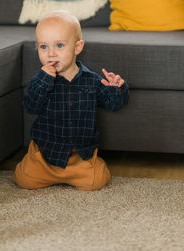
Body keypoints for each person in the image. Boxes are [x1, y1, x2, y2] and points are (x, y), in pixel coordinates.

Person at [13, 10, 129, 191]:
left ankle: (88, 167)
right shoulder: (41, 80)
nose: (50, 53)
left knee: (96, 182)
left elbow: (113, 105)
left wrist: (116, 88)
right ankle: (32, 160)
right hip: (45, 154)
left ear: (77, 47)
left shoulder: (92, 80)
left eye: (59, 45)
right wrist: (43, 80)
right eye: (43, 47)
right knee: (24, 180)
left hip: (79, 155)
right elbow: (30, 106)